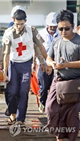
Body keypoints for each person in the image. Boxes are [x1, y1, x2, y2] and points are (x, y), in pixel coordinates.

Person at [3, 9, 47, 125]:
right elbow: (6, 54)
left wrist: (45, 62)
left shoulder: (32, 31)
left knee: (23, 91)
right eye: (17, 24)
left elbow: (40, 48)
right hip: (13, 64)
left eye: (22, 24)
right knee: (12, 91)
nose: (19, 27)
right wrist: (4, 72)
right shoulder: (8, 33)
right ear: (13, 20)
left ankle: (20, 119)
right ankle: (12, 114)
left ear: (25, 21)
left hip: (26, 64)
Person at [45, 10, 80, 141]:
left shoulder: (79, 41)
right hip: (58, 81)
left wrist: (67, 65)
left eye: (67, 28)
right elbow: (48, 58)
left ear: (73, 25)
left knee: (71, 115)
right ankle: (59, 137)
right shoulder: (56, 40)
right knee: (51, 108)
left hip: (75, 83)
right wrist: (52, 63)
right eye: (60, 29)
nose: (63, 31)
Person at [35, 12, 59, 113]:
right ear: (47, 24)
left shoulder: (61, 34)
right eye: (51, 26)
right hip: (43, 64)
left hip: (56, 64)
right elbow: (37, 50)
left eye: (55, 26)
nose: (53, 28)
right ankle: (42, 102)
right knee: (44, 86)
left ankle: (54, 106)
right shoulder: (40, 34)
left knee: (56, 87)